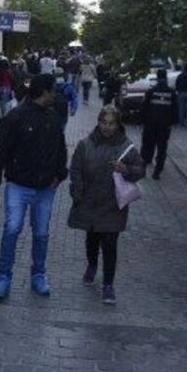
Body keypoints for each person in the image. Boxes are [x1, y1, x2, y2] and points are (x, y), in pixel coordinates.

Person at [0, 74, 69, 300]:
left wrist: (59, 175)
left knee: (41, 233)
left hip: (45, 188)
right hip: (18, 185)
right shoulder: (17, 117)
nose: (55, 95)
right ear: (44, 91)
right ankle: (3, 277)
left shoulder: (53, 117)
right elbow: (1, 150)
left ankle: (38, 275)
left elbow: (60, 148)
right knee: (12, 229)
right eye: (53, 90)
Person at [68, 106, 145, 305]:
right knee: (92, 240)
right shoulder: (85, 145)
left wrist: (126, 169)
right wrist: (78, 194)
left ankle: (108, 285)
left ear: (118, 125)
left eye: (111, 123)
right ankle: (92, 265)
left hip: (112, 206)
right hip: (90, 203)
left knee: (110, 245)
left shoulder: (126, 147)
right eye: (104, 122)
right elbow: (75, 170)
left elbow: (140, 170)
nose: (107, 127)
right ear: (98, 122)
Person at [141, 68, 179, 180]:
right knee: (162, 149)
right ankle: (157, 172)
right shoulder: (171, 92)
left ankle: (143, 168)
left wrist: (143, 121)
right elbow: (175, 110)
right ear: (165, 77)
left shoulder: (151, 91)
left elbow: (144, 108)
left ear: (157, 78)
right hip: (164, 126)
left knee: (147, 147)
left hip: (150, 125)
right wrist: (171, 123)